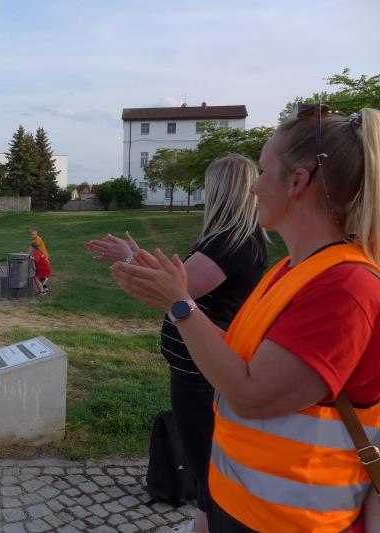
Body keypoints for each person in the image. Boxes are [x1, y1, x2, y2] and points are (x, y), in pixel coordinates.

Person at [112, 106, 380, 533]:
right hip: (241, 507)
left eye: (264, 171)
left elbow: (252, 395)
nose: (253, 187)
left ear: (297, 183)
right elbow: (242, 358)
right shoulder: (292, 270)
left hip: (294, 520)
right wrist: (174, 297)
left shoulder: (345, 287)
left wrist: (179, 305)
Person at [87, 153, 269, 533]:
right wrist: (133, 256)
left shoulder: (231, 242)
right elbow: (178, 285)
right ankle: (200, 524)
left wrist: (130, 259)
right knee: (205, 464)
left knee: (207, 463)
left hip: (202, 372)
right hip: (195, 368)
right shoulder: (227, 238)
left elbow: (178, 291)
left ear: (219, 189)